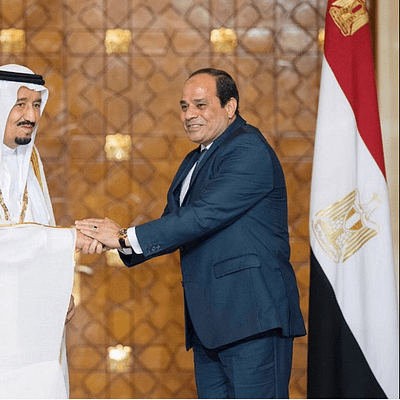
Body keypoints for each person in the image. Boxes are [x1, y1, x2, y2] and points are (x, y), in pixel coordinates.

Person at [76, 68, 306, 398]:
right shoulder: (195, 159)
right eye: (185, 107)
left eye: (200, 105)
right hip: (211, 326)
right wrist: (114, 242)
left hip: (251, 320)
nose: (189, 115)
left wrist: (124, 237)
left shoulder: (247, 149)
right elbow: (176, 223)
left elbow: (202, 216)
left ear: (230, 107)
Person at [0, 64, 98, 398]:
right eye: (20, 104)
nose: (31, 116)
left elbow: (42, 221)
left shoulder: (29, 159)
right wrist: (73, 238)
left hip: (31, 328)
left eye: (36, 105)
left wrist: (56, 290)